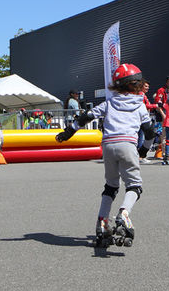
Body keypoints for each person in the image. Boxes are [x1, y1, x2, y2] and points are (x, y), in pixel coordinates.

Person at [56, 62, 155, 248]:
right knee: (135, 186)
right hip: (128, 145)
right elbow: (149, 133)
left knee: (110, 187)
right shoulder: (140, 106)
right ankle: (124, 215)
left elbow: (86, 116)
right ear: (138, 84)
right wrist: (144, 150)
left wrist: (68, 133)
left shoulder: (109, 103)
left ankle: (102, 223)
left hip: (108, 146)